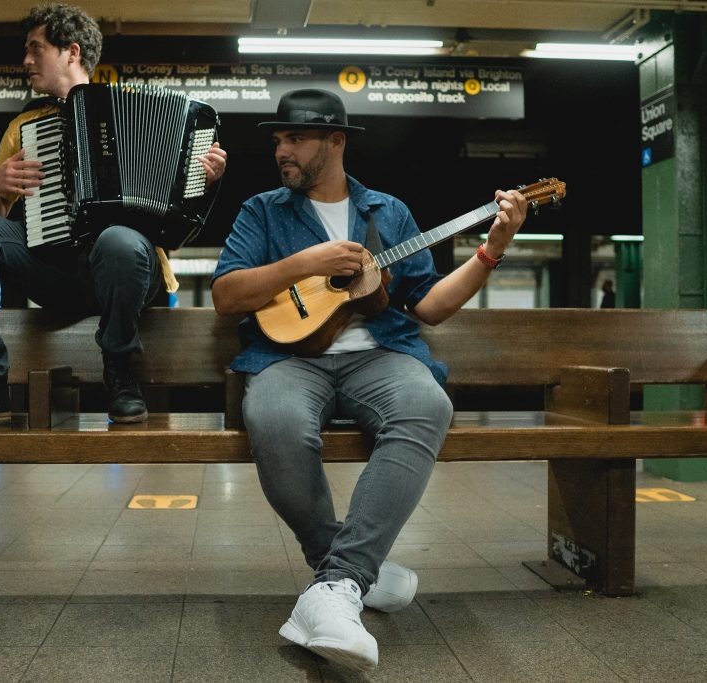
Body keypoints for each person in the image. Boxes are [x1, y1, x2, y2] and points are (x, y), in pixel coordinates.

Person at [211, 89, 527, 672]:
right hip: (287, 360)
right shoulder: (262, 211)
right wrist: (308, 263)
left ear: (336, 141)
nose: (281, 149)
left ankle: (335, 586)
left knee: (426, 406)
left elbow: (427, 307)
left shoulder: (388, 212)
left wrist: (492, 251)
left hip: (380, 353)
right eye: (277, 138)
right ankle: (353, 576)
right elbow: (227, 296)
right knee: (274, 418)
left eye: (294, 138)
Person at [0, 3, 227, 429]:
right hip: (55, 272)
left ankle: (119, 370)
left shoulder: (135, 109)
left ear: (71, 52)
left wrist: (202, 179)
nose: (25, 61)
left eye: (35, 49)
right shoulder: (26, 126)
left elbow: (178, 223)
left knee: (118, 240)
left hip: (127, 273)